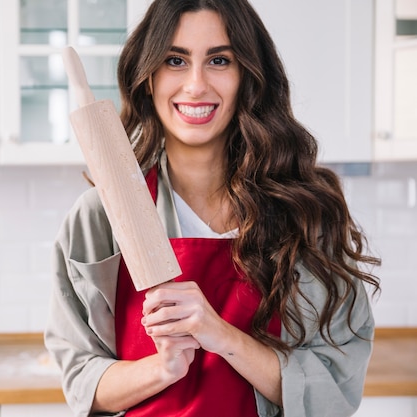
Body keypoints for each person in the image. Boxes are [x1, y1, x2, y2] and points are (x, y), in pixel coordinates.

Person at [44, 0, 381, 416]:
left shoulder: (304, 212)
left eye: (219, 60)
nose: (196, 85)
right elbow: (81, 381)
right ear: (148, 78)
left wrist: (220, 335)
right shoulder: (99, 218)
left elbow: (334, 386)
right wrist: (162, 368)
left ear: (247, 77)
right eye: (175, 60)